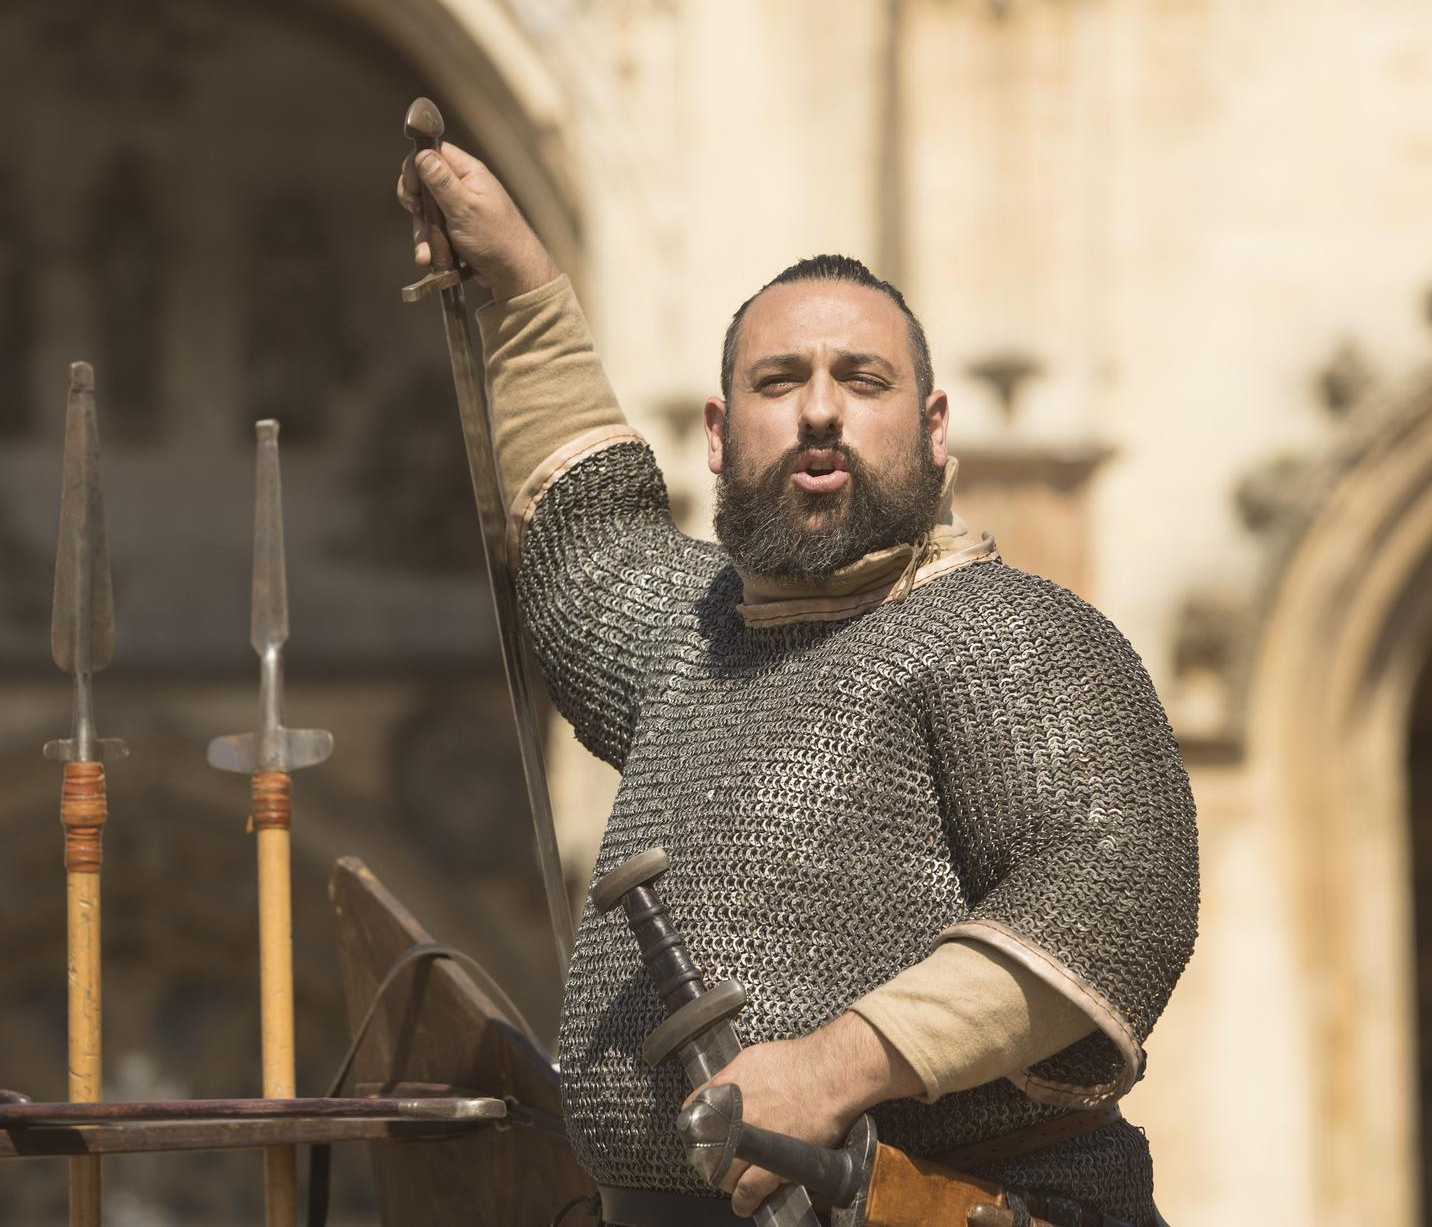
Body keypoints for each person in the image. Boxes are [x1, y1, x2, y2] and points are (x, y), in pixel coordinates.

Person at [398, 142, 1198, 1227]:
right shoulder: (693, 641)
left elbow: (1111, 888)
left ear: (932, 427)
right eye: (779, 382)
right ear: (720, 437)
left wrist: (832, 1069)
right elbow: (586, 537)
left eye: (860, 380)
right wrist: (524, 287)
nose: (819, 410)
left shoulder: (1009, 636)